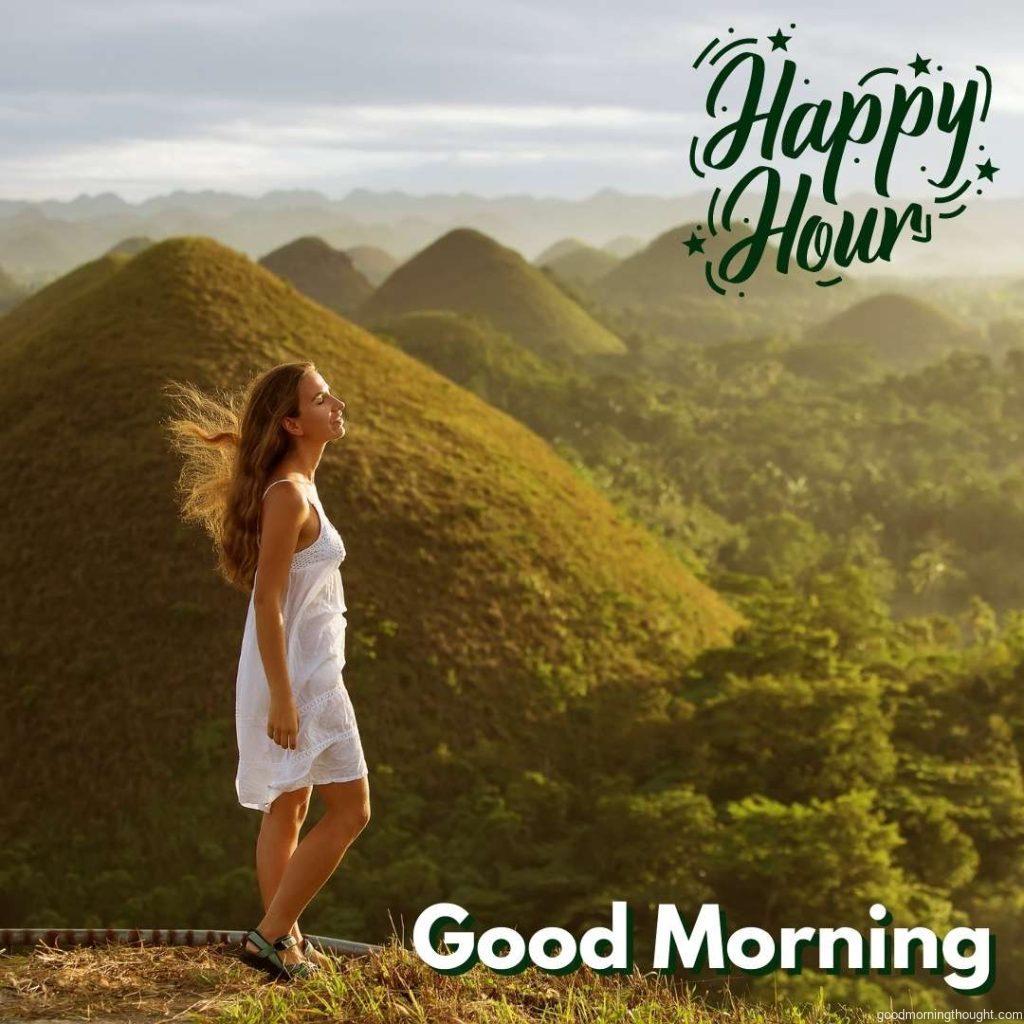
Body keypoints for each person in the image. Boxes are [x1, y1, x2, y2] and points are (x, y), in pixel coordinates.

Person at [163, 360, 371, 981]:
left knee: (290, 807)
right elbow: (267, 601)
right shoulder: (287, 495)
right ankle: (270, 936)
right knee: (352, 810)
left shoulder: (299, 486)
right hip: (299, 679)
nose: (335, 403)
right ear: (292, 422)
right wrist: (283, 698)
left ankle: (285, 943)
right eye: (320, 398)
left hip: (302, 670)